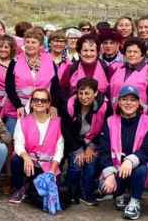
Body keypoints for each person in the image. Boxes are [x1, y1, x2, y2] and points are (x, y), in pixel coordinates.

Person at [8, 88, 64, 206]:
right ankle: (19, 189)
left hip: (48, 167)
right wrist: (26, 157)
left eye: (43, 100)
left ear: (49, 104)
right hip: (29, 165)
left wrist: (52, 172)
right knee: (16, 160)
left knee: (53, 199)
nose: (39, 103)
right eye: (36, 100)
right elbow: (18, 144)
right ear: (32, 102)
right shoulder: (22, 121)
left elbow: (59, 149)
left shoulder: (57, 122)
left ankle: (29, 188)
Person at [61, 78, 109, 206]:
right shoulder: (69, 104)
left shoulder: (104, 107)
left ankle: (86, 193)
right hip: (74, 141)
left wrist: (91, 146)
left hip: (94, 140)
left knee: (90, 162)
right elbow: (66, 130)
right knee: (76, 163)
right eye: (80, 93)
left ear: (95, 93)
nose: (83, 97)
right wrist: (78, 149)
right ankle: (70, 192)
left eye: (87, 93)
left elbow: (105, 130)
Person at [6, 27, 56, 119]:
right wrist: (18, 106)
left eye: (33, 42)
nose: (29, 45)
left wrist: (54, 106)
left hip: (43, 111)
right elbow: (9, 87)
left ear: (40, 45)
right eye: (27, 42)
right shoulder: (15, 61)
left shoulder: (50, 62)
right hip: (18, 111)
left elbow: (55, 87)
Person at [108, 39, 148, 120]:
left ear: (142, 54)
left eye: (135, 52)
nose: (131, 54)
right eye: (129, 51)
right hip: (116, 117)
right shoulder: (116, 68)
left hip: (140, 119)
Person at [58, 33, 109, 101]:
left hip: (101, 109)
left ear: (97, 52)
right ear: (79, 52)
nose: (88, 54)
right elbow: (63, 93)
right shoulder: (71, 69)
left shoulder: (105, 67)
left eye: (92, 50)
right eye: (85, 50)